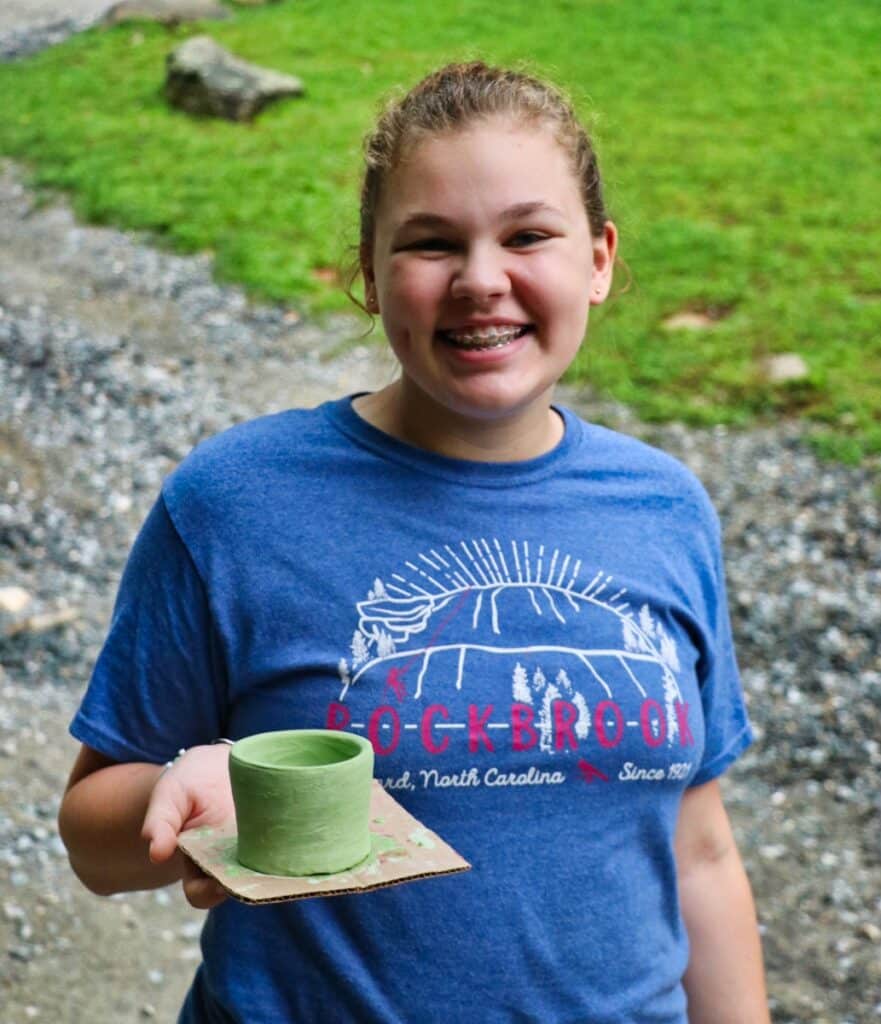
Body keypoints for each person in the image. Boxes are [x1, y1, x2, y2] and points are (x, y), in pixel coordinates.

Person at [58, 61, 770, 1023]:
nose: (482, 280)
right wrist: (201, 801)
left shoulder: (664, 508)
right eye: (431, 244)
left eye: (527, 235)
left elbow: (698, 849)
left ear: (597, 259)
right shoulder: (234, 503)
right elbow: (89, 837)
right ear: (367, 273)